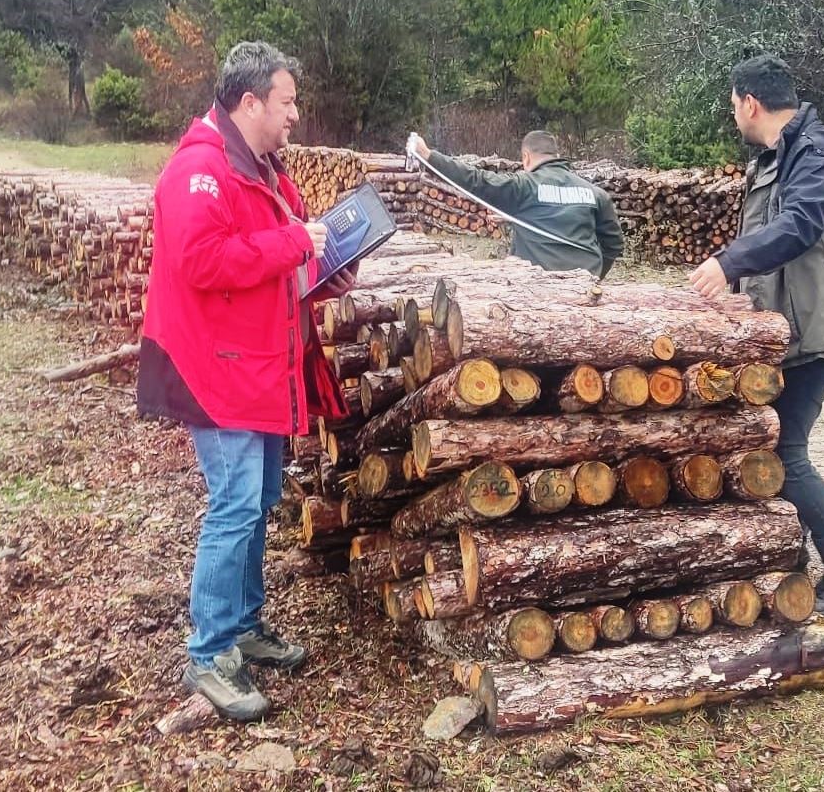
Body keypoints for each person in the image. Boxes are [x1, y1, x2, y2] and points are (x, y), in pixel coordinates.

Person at [137, 41, 354, 721]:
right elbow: (203, 261)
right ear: (250, 101)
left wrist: (329, 268)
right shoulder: (200, 169)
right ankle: (208, 653)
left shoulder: (260, 165)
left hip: (255, 364)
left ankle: (245, 623)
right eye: (286, 102)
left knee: (258, 497)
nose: (296, 114)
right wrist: (298, 245)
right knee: (233, 503)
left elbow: (276, 263)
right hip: (217, 368)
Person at [688, 53, 824, 617]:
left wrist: (728, 262)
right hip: (781, 330)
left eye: (733, 108)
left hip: (820, 330)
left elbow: (798, 226)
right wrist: (737, 290)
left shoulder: (817, 152)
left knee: (784, 447)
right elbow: (769, 236)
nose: (734, 119)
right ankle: (783, 558)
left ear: (751, 103)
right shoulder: (774, 157)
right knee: (762, 441)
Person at [407, 130, 624, 278]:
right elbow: (613, 244)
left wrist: (428, 155)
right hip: (585, 288)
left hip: (535, 289)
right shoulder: (594, 193)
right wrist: (593, 273)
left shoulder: (524, 186)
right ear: (557, 156)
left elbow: (476, 180)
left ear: (526, 157)